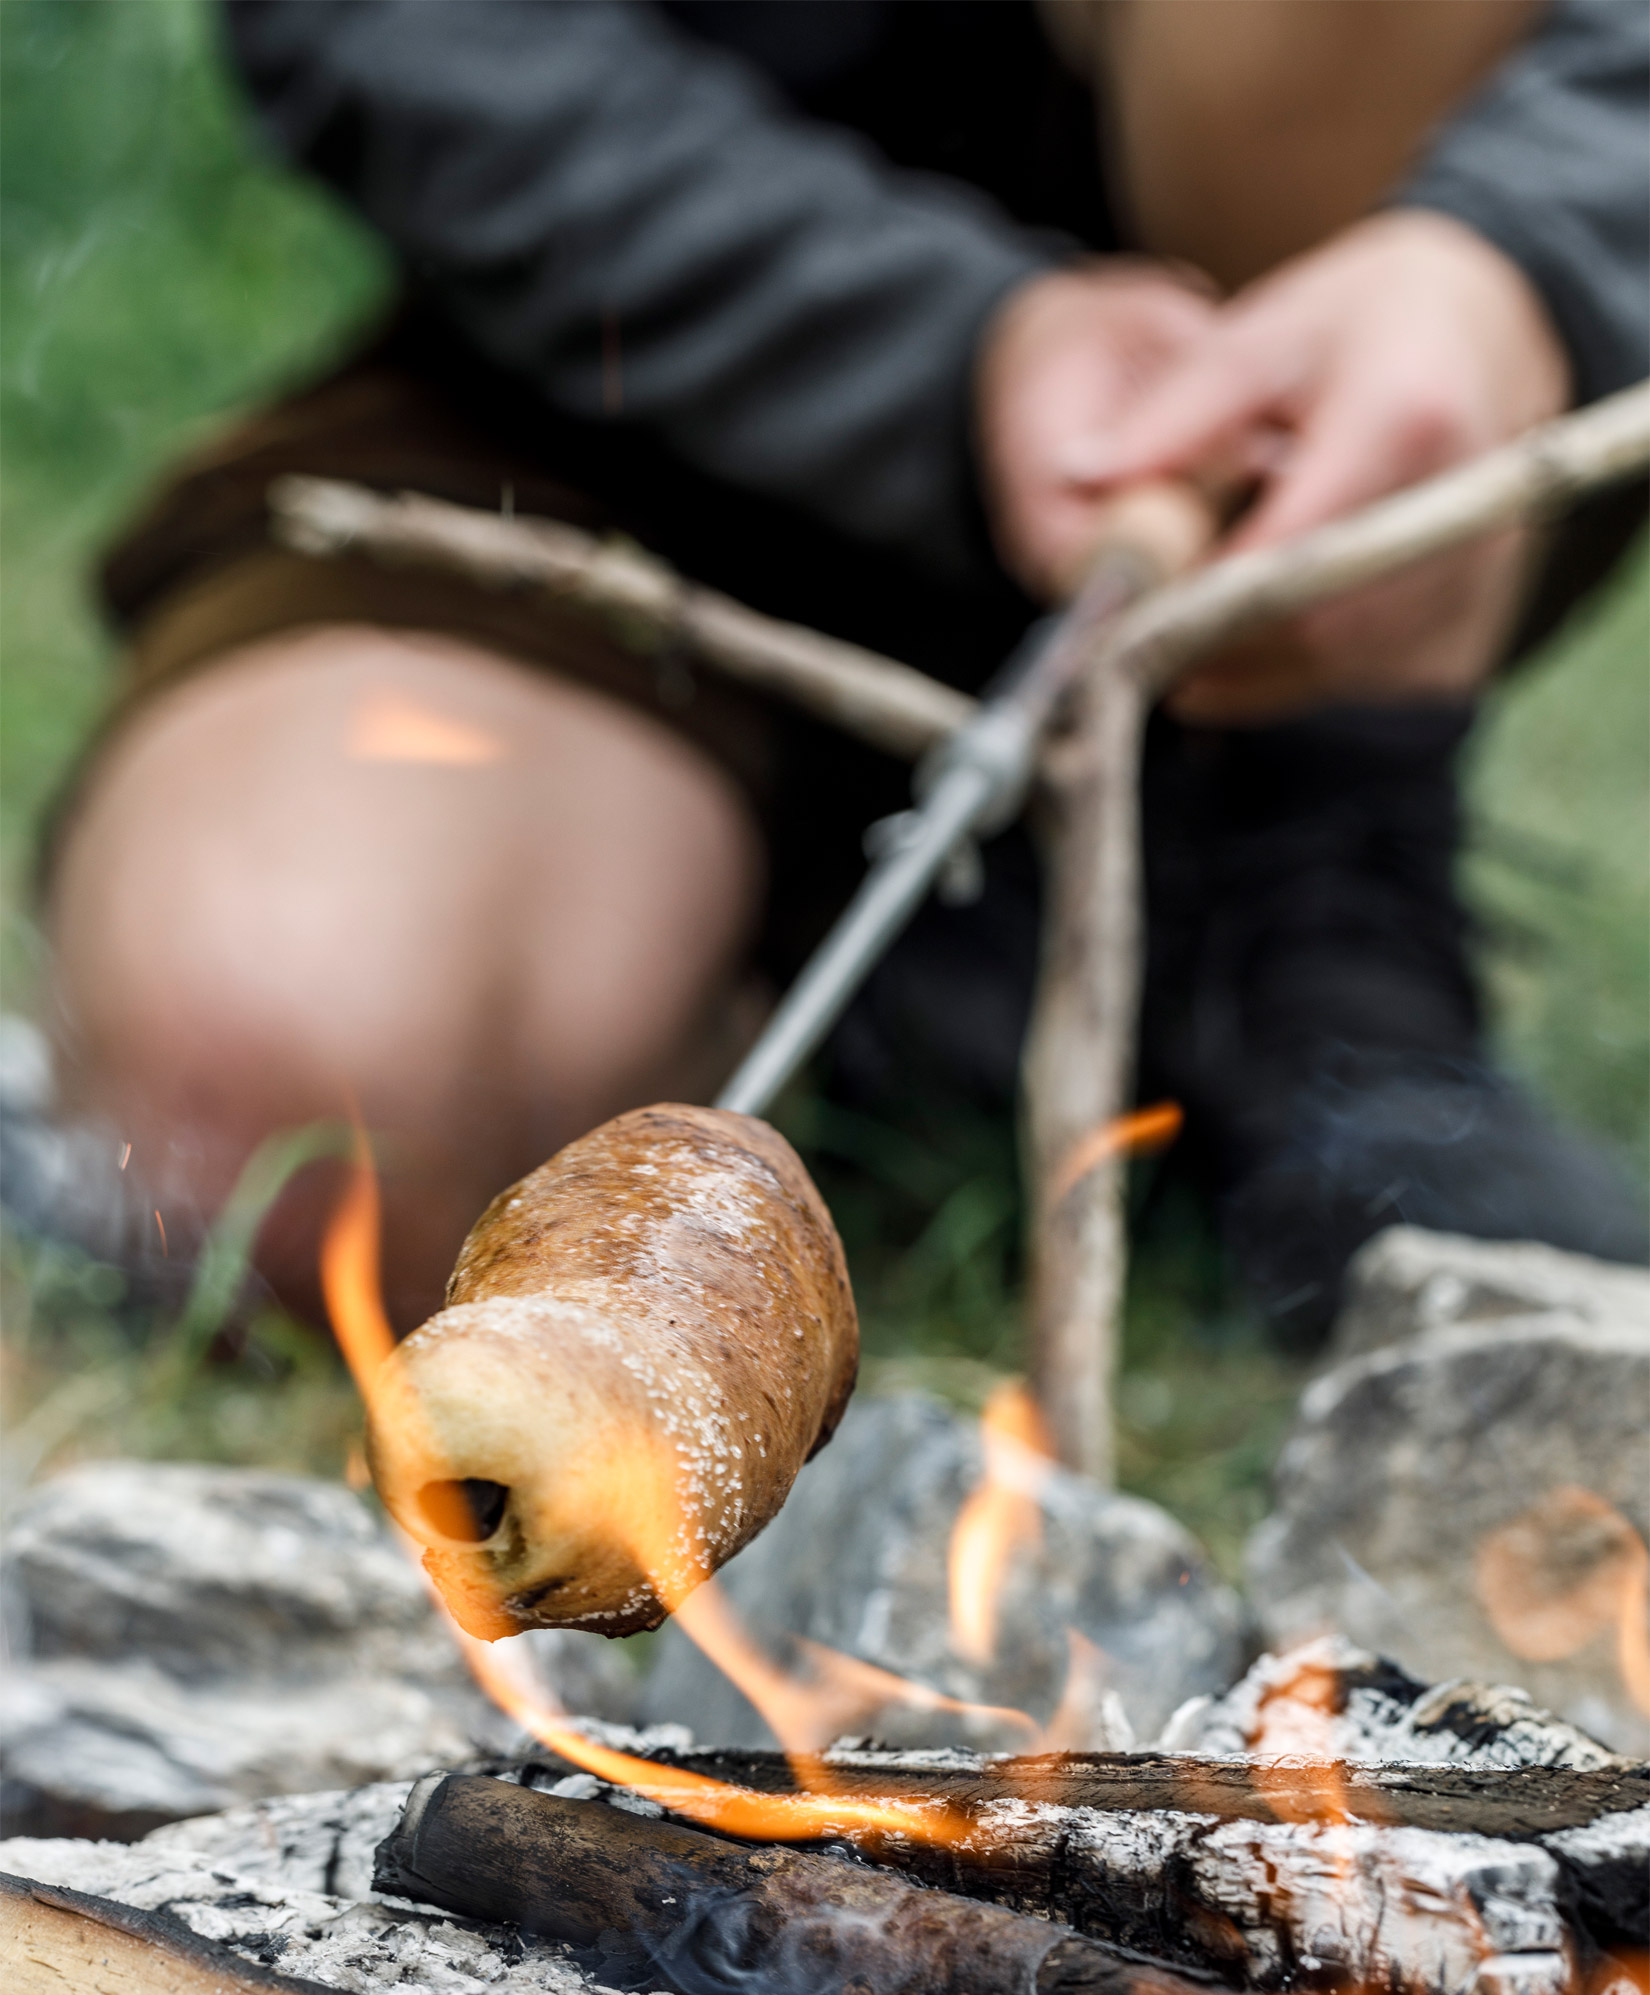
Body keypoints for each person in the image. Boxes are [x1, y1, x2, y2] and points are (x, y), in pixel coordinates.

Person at [29, 0, 1650, 1341]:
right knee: (270, 1124)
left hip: (1363, 327)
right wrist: (951, 353)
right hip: (621, 377)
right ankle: (937, 972)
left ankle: (1301, 871)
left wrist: (1522, 253)